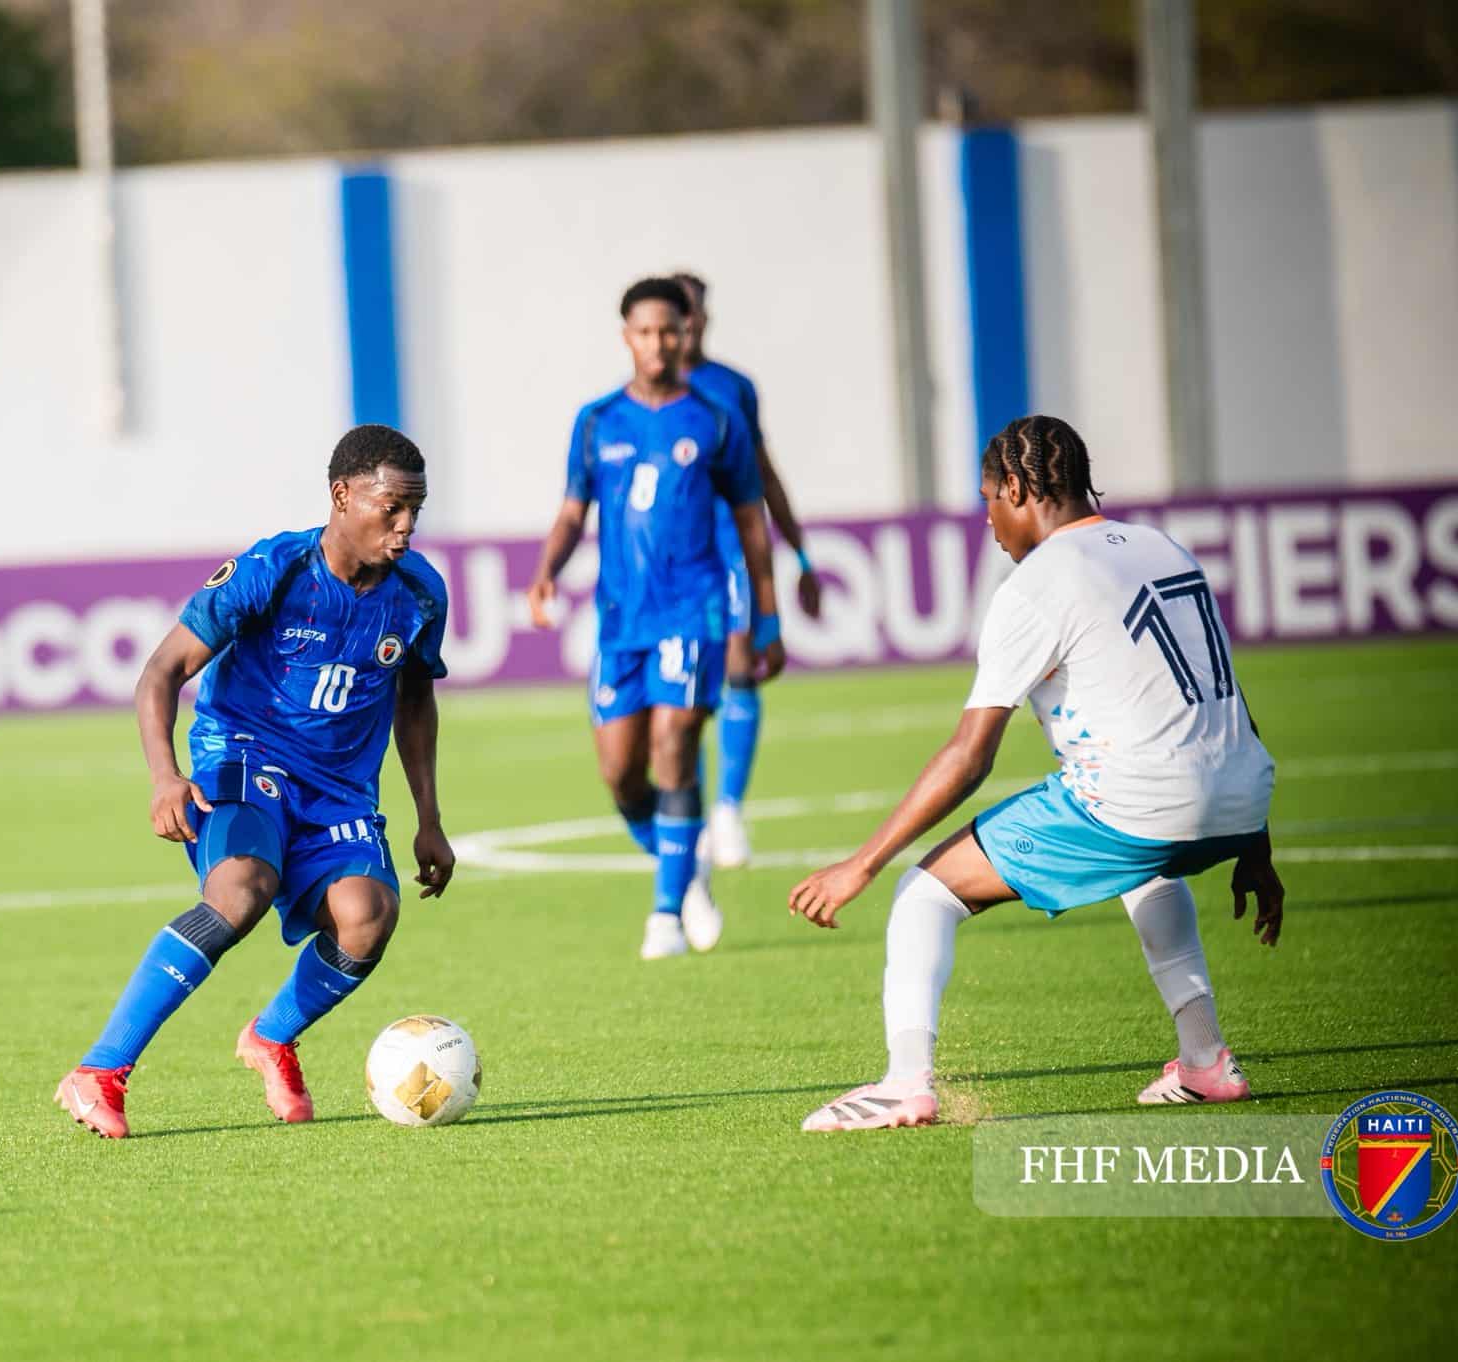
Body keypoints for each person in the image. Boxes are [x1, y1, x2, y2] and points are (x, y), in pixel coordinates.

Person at [788, 415, 1284, 1131]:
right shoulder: (1162, 546)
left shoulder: (1037, 584)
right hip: (1241, 796)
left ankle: (904, 1085)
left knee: (924, 892)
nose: (988, 520)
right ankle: (1204, 1061)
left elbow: (968, 757)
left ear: (1017, 488)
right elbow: (1227, 705)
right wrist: (1256, 844)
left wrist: (859, 865)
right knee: (1147, 864)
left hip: (1140, 801)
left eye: (988, 498)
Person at [56, 424, 454, 1139]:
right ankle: (99, 1071)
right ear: (341, 495)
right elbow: (162, 671)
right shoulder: (274, 570)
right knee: (240, 890)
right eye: (390, 509)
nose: (404, 529)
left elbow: (415, 699)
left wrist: (428, 814)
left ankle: (271, 1037)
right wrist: (164, 775)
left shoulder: (420, 596)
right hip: (245, 757)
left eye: (415, 513)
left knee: (368, 917)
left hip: (339, 790)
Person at [528, 277, 784, 961]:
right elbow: (573, 511)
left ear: (686, 332)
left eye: (669, 330)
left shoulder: (714, 418)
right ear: (627, 337)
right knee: (620, 775)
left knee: (674, 740)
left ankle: (665, 914)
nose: (658, 342)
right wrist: (548, 568)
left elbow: (751, 523)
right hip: (621, 622)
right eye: (645, 331)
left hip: (693, 610)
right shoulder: (597, 420)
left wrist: (766, 615)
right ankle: (687, 867)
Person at [672, 271, 823, 868]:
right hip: (676, 562)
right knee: (682, 694)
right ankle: (698, 810)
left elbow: (764, 474)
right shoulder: (641, 399)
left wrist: (802, 555)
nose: (688, 326)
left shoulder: (732, 387)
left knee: (740, 665)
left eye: (696, 314)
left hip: (732, 548)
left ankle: (728, 810)